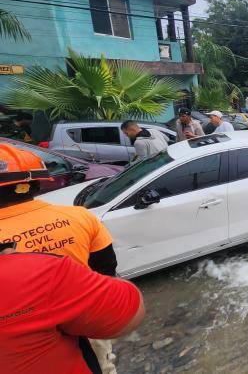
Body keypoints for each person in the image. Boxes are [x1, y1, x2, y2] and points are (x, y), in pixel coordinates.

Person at [0, 143, 120, 372]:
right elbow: (106, 269)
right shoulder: (79, 216)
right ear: (36, 183)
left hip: (25, 339)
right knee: (103, 365)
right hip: (86, 316)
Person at [0, 243, 145, 374]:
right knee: (104, 362)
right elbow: (131, 311)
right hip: (89, 309)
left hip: (84, 309)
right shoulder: (39, 271)